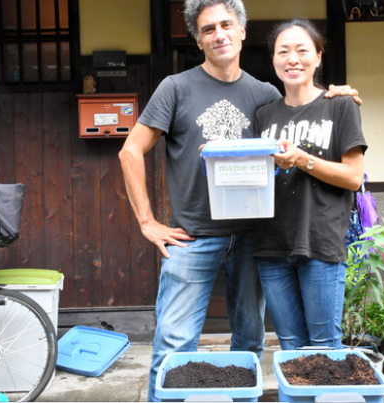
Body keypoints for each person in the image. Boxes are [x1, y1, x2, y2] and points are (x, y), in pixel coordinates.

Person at [118, 2, 361, 400]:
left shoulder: (264, 95)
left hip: (254, 238)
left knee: (249, 339)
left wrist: (337, 93)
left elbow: (305, 104)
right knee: (174, 343)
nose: (219, 34)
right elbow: (130, 152)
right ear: (199, 40)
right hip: (191, 237)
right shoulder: (175, 87)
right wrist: (148, 222)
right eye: (208, 28)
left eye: (227, 24)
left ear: (242, 31)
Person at [253, 18, 367, 351]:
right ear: (273, 59)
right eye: (283, 51)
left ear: (318, 57)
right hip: (272, 244)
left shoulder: (341, 106)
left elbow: (353, 177)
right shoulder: (263, 115)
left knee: (324, 348)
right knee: (290, 347)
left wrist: (302, 159)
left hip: (320, 242)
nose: (292, 59)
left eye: (302, 50)